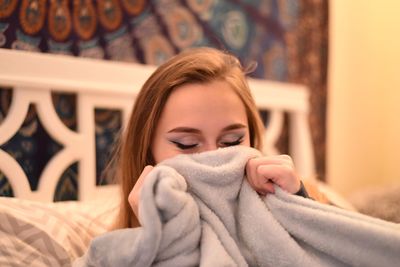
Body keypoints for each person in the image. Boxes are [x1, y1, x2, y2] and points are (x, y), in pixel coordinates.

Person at [112, 47, 323, 229]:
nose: (214, 160)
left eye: (232, 141)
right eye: (187, 144)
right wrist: (157, 238)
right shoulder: (115, 253)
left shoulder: (303, 198)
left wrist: (298, 206)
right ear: (148, 152)